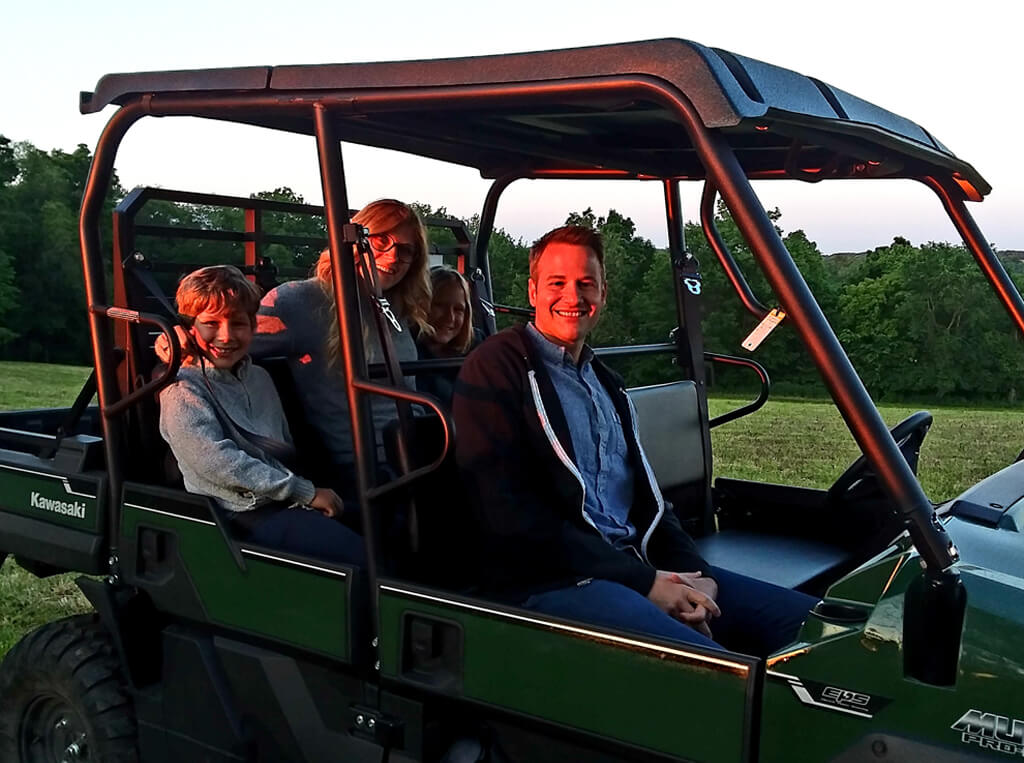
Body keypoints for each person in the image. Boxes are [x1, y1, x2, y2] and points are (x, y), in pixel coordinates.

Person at [452, 225, 816, 656]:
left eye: (586, 284)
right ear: (533, 291)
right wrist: (646, 584)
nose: (573, 296)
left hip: (631, 565)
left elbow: (648, 501)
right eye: (557, 283)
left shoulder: (605, 383)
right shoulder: (497, 368)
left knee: (817, 628)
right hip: (550, 580)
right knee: (720, 674)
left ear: (603, 293)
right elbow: (512, 518)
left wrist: (699, 575)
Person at [157, 199, 433, 484]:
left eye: (405, 250)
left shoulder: (400, 308)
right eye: (380, 241)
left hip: (418, 450)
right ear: (354, 240)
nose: (392, 256)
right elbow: (227, 341)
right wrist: (174, 341)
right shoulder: (302, 301)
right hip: (366, 467)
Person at [158, 265, 366, 566]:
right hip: (240, 514)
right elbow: (218, 463)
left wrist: (305, 492)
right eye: (211, 323)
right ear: (190, 328)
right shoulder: (182, 389)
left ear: (254, 327)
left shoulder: (259, 378)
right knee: (359, 558)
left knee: (381, 532)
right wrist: (304, 493)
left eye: (238, 323)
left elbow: (282, 445)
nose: (226, 336)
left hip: (284, 498)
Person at [416, 266, 478, 406]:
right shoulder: (409, 351)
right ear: (421, 305)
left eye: (458, 310)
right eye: (439, 306)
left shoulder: (478, 346)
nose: (449, 318)